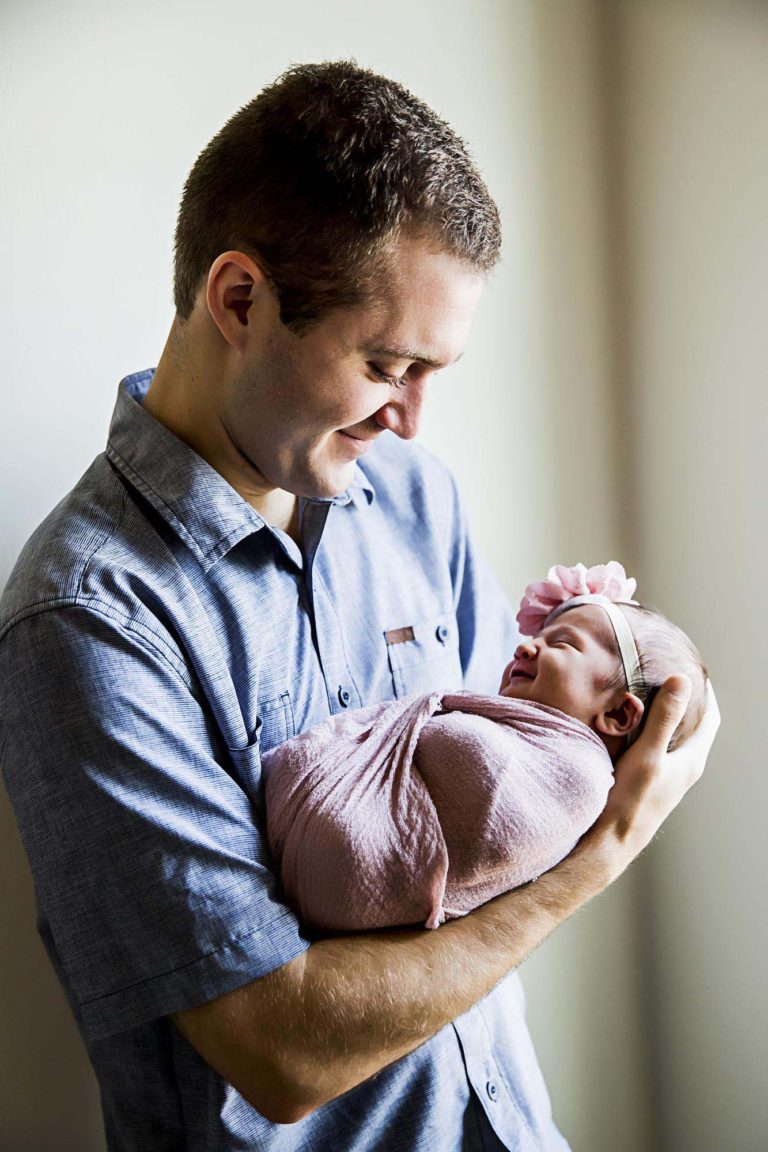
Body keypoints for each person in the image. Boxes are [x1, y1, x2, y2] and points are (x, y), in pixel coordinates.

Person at [0, 61, 718, 1152]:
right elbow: (279, 1050)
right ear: (239, 299)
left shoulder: (414, 501)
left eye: (435, 369)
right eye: (387, 363)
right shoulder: (88, 621)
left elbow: (484, 858)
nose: (414, 419)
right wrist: (611, 845)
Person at [263, 562, 709, 934]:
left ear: (617, 715)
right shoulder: (519, 730)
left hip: (352, 864)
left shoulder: (579, 778)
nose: (527, 645)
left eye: (564, 644)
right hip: (323, 841)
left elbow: (486, 786)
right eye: (543, 634)